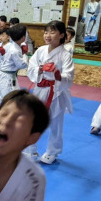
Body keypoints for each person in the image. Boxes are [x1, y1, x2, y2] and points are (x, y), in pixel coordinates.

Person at [27, 20, 74, 164]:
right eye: (46, 32)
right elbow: (31, 67)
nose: (48, 35)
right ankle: (31, 150)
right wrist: (39, 70)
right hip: (40, 89)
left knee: (55, 123)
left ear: (61, 35)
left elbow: (69, 76)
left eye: (52, 32)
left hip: (56, 92)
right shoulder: (40, 50)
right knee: (33, 120)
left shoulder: (65, 55)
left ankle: (53, 151)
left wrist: (58, 74)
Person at [0, 24, 28, 108]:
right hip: (6, 76)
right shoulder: (14, 49)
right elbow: (21, 65)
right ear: (23, 37)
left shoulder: (13, 46)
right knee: (5, 101)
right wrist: (25, 56)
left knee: (15, 97)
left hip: (9, 75)